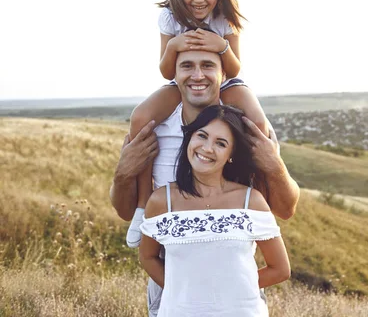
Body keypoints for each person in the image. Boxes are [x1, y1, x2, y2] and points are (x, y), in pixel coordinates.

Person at [110, 49, 299, 316]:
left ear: (225, 74)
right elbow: (129, 222)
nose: (197, 75)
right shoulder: (154, 130)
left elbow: (286, 212)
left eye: (208, 66)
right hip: (173, 290)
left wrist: (228, 291)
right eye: (187, 66)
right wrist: (122, 174)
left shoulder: (248, 133)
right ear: (173, 75)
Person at [125, 0, 269, 247]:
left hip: (225, 81)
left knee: (256, 122)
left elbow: (235, 67)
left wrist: (221, 47)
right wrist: (174, 47)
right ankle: (142, 206)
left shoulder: (226, 17)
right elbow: (167, 73)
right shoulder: (170, 17)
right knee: (141, 118)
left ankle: (262, 200)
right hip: (184, 82)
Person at [139, 104, 290, 316]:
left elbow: (280, 269)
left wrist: (228, 292)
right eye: (202, 136)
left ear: (231, 154)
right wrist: (184, 291)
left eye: (220, 143)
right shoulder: (162, 201)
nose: (207, 148)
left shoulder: (250, 201)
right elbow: (147, 257)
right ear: (190, 138)